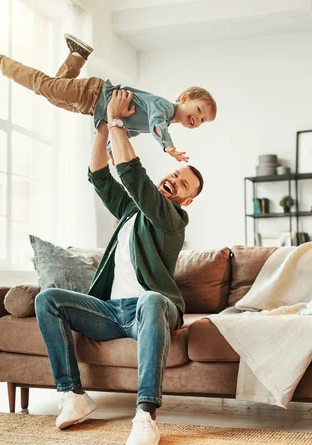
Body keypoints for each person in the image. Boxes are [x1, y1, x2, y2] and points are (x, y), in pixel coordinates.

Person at [34, 89, 204, 445]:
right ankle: (73, 396)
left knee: (153, 299)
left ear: (186, 199)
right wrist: (101, 129)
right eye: (174, 173)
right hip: (112, 311)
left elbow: (131, 174)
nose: (173, 179)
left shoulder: (173, 218)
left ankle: (145, 415)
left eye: (182, 183)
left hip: (151, 310)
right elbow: (99, 175)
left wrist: (116, 122)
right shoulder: (132, 211)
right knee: (47, 299)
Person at [0, 34, 217, 163]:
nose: (198, 118)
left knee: (53, 97)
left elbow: (126, 129)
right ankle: (2, 63)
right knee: (44, 87)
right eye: (198, 110)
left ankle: (77, 56)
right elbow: (156, 124)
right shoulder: (163, 108)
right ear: (184, 98)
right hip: (94, 93)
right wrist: (167, 146)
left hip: (92, 107)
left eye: (203, 120)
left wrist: (111, 149)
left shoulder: (163, 119)